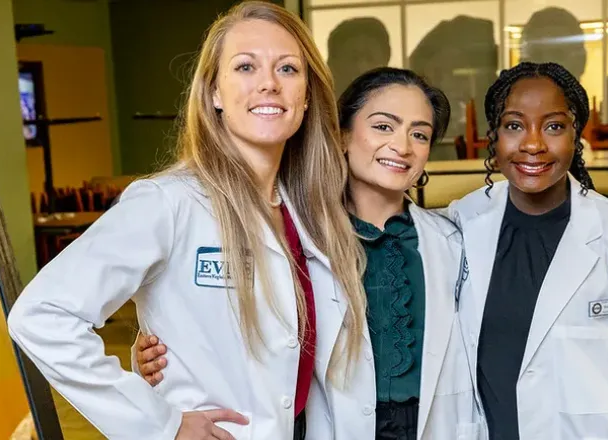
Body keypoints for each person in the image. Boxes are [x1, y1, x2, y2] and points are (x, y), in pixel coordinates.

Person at [6, 2, 369, 439]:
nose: (269, 84)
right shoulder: (168, 202)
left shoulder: (313, 212)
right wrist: (163, 424)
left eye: (288, 69)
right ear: (214, 93)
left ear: (307, 95)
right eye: (245, 67)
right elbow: (41, 315)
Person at [133, 67, 485, 440]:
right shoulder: (292, 235)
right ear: (342, 135)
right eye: (384, 126)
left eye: (420, 134)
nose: (403, 146)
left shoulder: (451, 241)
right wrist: (151, 358)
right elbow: (223, 322)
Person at [448, 61, 608, 439]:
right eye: (514, 126)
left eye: (553, 126)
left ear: (575, 135)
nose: (533, 144)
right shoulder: (461, 224)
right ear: (494, 136)